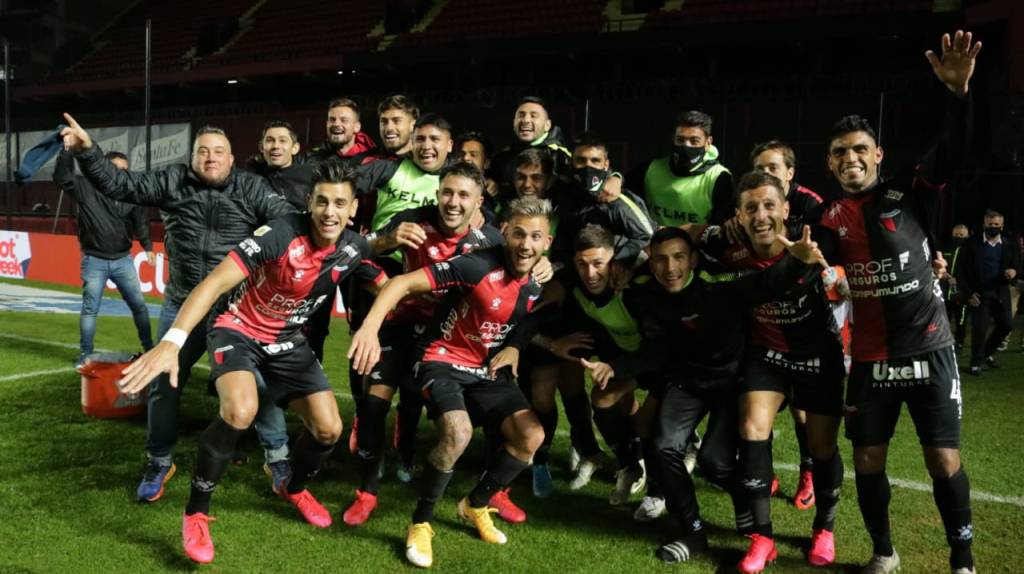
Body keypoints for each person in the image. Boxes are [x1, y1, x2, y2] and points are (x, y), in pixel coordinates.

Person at [116, 160, 380, 564]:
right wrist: (172, 341)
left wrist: (375, 324)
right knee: (240, 411)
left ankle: (293, 488)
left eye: (339, 204)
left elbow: (386, 278)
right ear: (310, 203)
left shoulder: (354, 246)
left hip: (287, 340)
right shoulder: (279, 234)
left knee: (329, 429)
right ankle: (196, 513)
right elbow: (214, 283)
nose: (330, 212)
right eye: (322, 201)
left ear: (353, 208)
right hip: (237, 329)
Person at [59, 114, 297, 503]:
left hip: (234, 309)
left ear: (231, 159)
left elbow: (287, 221)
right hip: (182, 303)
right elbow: (120, 183)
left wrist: (263, 256)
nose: (211, 157)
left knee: (257, 381)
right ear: (192, 158)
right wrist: (87, 151)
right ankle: (159, 459)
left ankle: (278, 456)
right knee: (163, 383)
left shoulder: (252, 187)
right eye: (203, 151)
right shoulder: (172, 181)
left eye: (218, 152)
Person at [814, 30, 981, 574]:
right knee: (867, 459)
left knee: (943, 459)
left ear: (878, 155)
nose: (851, 158)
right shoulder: (827, 219)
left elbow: (951, 152)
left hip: (930, 349)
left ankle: (962, 561)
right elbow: (816, 266)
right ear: (830, 163)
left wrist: (958, 95)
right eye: (841, 152)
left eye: (860, 149)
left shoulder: (908, 192)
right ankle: (884, 552)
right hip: (870, 359)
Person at [582, 224, 827, 564]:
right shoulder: (646, 295)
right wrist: (616, 366)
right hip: (686, 381)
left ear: (694, 260)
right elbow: (656, 349)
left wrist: (796, 261)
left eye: (679, 257)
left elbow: (764, 284)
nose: (670, 268)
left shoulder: (717, 285)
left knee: (715, 462)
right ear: (651, 263)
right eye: (661, 260)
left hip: (731, 382)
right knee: (664, 447)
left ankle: (745, 500)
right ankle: (693, 533)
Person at [348, 197, 550, 569]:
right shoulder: (476, 264)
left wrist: (516, 347)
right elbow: (402, 283)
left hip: (484, 368)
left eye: (536, 237)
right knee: (458, 433)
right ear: (505, 232)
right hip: (441, 359)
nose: (526, 244)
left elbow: (534, 315)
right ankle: (420, 523)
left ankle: (476, 504)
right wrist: (370, 328)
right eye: (519, 234)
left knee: (531, 436)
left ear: (547, 242)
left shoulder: (540, 278)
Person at [341, 161, 504, 526]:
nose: (453, 202)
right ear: (437, 193)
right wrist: (387, 243)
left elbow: (517, 278)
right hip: (402, 325)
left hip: (449, 339)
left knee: (483, 411)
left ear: (479, 202)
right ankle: (366, 493)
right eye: (447, 192)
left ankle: (491, 490)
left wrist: (542, 268)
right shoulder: (413, 220)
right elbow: (358, 251)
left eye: (464, 195)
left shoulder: (491, 241)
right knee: (373, 402)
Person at [702, 171, 845, 572]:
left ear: (785, 209)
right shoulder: (729, 252)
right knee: (751, 430)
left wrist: (838, 280)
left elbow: (845, 275)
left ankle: (824, 528)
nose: (761, 215)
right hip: (766, 354)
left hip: (818, 356)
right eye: (751, 208)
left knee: (822, 447)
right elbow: (694, 240)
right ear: (738, 216)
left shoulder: (813, 243)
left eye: (769, 206)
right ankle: (762, 539)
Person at [750, 139, 826, 511]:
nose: (765, 174)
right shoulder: (748, 202)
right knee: (754, 410)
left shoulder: (811, 205)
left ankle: (808, 472)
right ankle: (764, 471)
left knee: (802, 409)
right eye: (759, 168)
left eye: (773, 168)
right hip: (762, 320)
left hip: (803, 324)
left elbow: (826, 256)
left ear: (790, 174)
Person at [53, 149, 155, 368]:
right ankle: (85, 355)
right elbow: (61, 176)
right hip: (94, 261)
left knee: (139, 306)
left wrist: (147, 246)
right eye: (117, 169)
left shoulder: (130, 192)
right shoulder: (86, 186)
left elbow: (140, 221)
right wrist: (67, 152)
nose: (122, 174)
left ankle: (150, 350)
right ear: (105, 169)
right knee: (90, 310)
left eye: (125, 170)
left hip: (123, 260)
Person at [630, 110, 734, 227]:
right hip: (653, 238)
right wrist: (616, 177)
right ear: (673, 139)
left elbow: (720, 226)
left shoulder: (719, 177)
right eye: (680, 140)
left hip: (698, 239)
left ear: (708, 143)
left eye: (694, 141)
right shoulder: (650, 169)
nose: (686, 146)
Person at [956, 210, 1020, 375]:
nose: (993, 227)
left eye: (996, 224)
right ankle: (975, 363)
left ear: (1002, 226)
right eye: (990, 224)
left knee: (1006, 326)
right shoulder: (971, 244)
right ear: (984, 225)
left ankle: (986, 354)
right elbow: (960, 272)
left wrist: (1013, 272)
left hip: (1001, 292)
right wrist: (969, 293)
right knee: (980, 328)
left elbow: (1017, 266)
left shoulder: (1009, 244)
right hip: (979, 294)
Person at [489, 96, 572, 201]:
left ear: (547, 125)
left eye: (534, 116)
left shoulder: (559, 156)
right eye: (521, 115)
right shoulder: (503, 157)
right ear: (513, 123)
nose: (526, 120)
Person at [248, 120, 315, 210]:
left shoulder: (312, 177)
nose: (276, 146)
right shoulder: (250, 180)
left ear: (295, 148)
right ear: (261, 147)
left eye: (282, 141)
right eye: (270, 140)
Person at [304, 97, 377, 165]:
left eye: (343, 120)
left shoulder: (372, 161)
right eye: (332, 120)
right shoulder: (311, 157)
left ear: (356, 127)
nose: (336, 124)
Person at [942, 224, 971, 351]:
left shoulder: (971, 250)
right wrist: (944, 274)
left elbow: (972, 271)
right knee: (944, 319)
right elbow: (937, 264)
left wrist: (958, 280)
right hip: (944, 291)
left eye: (961, 235)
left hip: (962, 293)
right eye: (956, 235)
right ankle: (945, 343)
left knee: (961, 320)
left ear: (967, 236)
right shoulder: (944, 247)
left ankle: (959, 342)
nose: (958, 237)